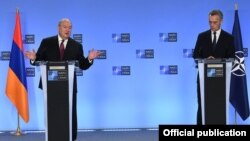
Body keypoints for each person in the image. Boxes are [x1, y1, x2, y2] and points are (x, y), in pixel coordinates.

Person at [25, 18, 101, 140]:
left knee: (70, 114)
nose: (68, 29)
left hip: (69, 87)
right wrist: (34, 58)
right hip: (50, 87)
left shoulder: (76, 45)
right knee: (53, 114)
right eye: (65, 27)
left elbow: (82, 65)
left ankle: (71, 138)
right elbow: (38, 60)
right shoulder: (46, 42)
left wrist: (89, 59)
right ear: (58, 28)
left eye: (70, 27)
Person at [192, 9, 235, 124]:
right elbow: (195, 55)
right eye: (210, 22)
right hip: (203, 78)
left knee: (219, 106)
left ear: (221, 21)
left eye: (215, 22)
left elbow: (232, 57)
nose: (212, 24)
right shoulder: (202, 36)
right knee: (202, 105)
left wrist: (218, 61)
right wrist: (205, 60)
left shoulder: (229, 38)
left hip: (221, 79)